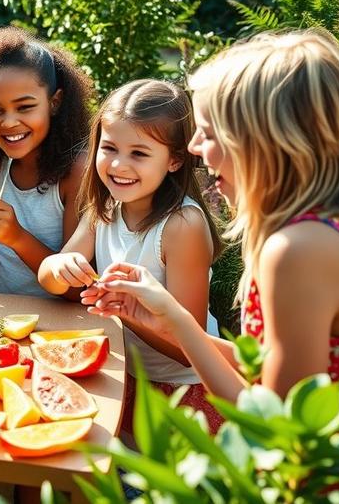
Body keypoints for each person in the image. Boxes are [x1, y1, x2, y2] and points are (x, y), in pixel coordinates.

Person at [82, 30, 339, 401]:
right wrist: (172, 320)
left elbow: (280, 425)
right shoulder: (315, 233)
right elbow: (261, 367)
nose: (193, 147)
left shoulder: (299, 249)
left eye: (208, 133)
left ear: (262, 141)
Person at [39, 79, 223, 432]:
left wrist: (128, 312)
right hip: (126, 373)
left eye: (138, 153)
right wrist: (58, 266)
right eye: (109, 148)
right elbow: (50, 279)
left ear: (174, 160)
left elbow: (192, 347)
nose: (119, 165)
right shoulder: (106, 206)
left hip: (183, 390)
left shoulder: (182, 226)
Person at [0, 26, 94, 295]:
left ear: (54, 102)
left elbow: (75, 289)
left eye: (25, 107)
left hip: (53, 323)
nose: (9, 122)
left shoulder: (77, 171)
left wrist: (16, 237)